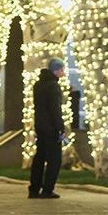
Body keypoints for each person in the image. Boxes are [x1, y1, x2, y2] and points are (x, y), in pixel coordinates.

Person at [28, 58, 66, 200]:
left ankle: (34, 189)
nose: (63, 73)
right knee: (54, 160)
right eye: (61, 70)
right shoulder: (53, 86)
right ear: (56, 70)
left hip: (40, 127)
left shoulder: (38, 85)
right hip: (51, 128)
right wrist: (60, 127)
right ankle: (47, 189)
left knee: (39, 158)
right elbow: (54, 108)